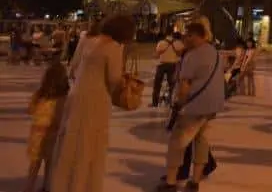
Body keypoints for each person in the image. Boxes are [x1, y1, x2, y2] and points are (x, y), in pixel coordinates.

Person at [48, 14, 135, 192]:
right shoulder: (113, 48)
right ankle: (82, 186)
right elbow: (113, 80)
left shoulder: (90, 41)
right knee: (89, 144)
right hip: (96, 99)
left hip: (77, 95)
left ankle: (63, 184)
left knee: (72, 143)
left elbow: (76, 65)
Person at [157, 22, 225, 191]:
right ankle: (194, 182)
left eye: (188, 35)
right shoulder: (215, 52)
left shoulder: (193, 56)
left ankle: (171, 183)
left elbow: (184, 85)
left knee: (177, 143)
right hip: (212, 106)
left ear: (196, 36)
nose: (185, 38)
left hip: (194, 106)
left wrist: (178, 104)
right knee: (201, 141)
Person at [26, 61, 69, 192]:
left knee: (34, 164)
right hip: (52, 135)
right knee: (49, 163)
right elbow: (60, 117)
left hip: (36, 134)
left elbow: (31, 109)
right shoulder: (62, 98)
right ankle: (46, 187)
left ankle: (29, 188)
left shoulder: (39, 94)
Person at [152, 30, 184, 108]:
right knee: (172, 85)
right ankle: (170, 102)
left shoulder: (161, 43)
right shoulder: (178, 43)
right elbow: (181, 54)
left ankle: (155, 103)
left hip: (161, 64)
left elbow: (157, 54)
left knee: (157, 85)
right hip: (172, 65)